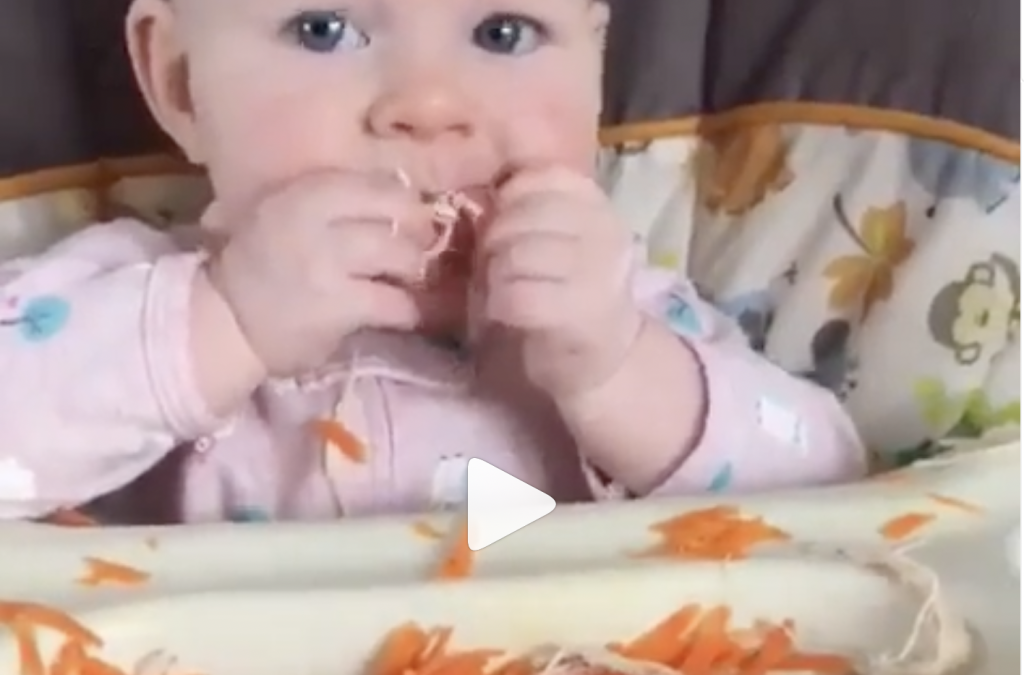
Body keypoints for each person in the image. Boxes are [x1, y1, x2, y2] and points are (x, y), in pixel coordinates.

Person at [0, 0, 866, 524]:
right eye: (323, 27)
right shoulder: (112, 308)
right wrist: (222, 324)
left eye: (502, 30)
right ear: (182, 83)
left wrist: (619, 375)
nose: (428, 106)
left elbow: (833, 488)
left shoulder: (614, 315)